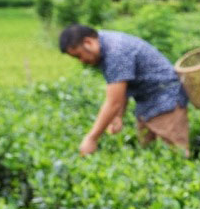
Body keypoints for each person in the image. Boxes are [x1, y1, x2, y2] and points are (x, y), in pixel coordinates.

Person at [60, 24, 190, 157]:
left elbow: (113, 102)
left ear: (88, 42)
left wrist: (92, 138)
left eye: (79, 56)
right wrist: (118, 116)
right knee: (148, 152)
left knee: (175, 154)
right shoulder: (103, 43)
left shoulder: (115, 51)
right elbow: (122, 85)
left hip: (166, 98)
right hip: (146, 101)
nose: (82, 61)